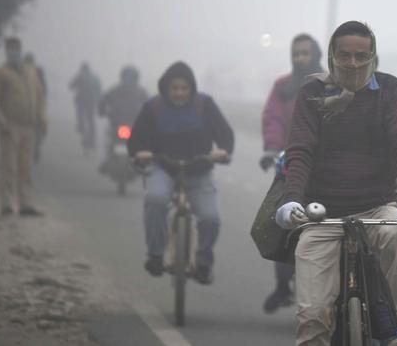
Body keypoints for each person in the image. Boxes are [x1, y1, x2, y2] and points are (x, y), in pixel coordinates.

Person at [276, 21, 397, 346]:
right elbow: (300, 150)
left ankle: (394, 326)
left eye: (361, 56)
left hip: (378, 206)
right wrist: (292, 199)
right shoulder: (312, 92)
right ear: (332, 56)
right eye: (345, 56)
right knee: (313, 318)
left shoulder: (389, 90)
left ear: (373, 57)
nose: (353, 63)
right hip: (321, 215)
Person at [127, 61, 234, 285]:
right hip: (163, 168)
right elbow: (135, 139)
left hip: (199, 170)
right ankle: (155, 254)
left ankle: (203, 262)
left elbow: (225, 133)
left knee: (210, 218)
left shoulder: (205, 105)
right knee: (155, 199)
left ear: (191, 88)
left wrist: (223, 151)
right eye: (174, 88)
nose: (179, 93)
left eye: (184, 88)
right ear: (166, 88)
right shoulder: (153, 107)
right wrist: (140, 152)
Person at [260, 33, 324, 313]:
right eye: (296, 53)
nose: (300, 58)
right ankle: (282, 285)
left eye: (305, 53)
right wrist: (272, 148)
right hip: (290, 165)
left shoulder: (331, 84)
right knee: (279, 222)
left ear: (317, 54)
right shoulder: (282, 86)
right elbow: (272, 118)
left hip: (329, 167)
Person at [0, 38, 47, 216]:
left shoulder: (30, 72)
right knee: (9, 166)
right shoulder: (0, 73)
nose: (14, 51)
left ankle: (25, 204)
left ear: (21, 50)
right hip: (9, 126)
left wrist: (42, 119)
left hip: (29, 126)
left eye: (17, 48)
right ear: (7, 51)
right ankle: (6, 204)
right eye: (11, 48)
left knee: (25, 167)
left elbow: (40, 96)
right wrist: (0, 120)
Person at [98, 65, 149, 131]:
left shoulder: (113, 90)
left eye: (130, 78)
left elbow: (103, 102)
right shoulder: (141, 92)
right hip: (119, 125)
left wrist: (102, 111)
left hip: (122, 125)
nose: (128, 80)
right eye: (126, 77)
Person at [69, 62, 101, 152]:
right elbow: (99, 90)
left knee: (80, 116)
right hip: (91, 102)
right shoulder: (95, 77)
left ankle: (81, 127)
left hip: (81, 101)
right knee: (91, 121)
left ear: (82, 69)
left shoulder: (80, 76)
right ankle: (92, 142)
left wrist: (75, 86)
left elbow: (71, 86)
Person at [23, 52, 47, 164]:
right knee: (40, 125)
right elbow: (44, 89)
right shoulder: (39, 71)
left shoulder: (20, 70)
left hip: (22, 104)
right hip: (37, 105)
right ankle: (36, 146)